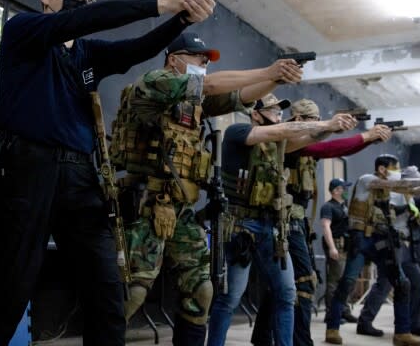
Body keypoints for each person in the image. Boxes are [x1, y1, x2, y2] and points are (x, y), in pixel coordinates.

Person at [0, 0, 217, 346]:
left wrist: (180, 18)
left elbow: (136, 50)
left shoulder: (87, 54)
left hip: (81, 178)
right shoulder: (24, 30)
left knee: (107, 292)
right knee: (10, 292)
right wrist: (163, 2)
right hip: (26, 172)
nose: (82, 2)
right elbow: (92, 18)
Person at [111, 35, 303, 345]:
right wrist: (269, 71)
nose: (205, 63)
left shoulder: (193, 103)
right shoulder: (153, 82)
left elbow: (239, 96)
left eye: (207, 60)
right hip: (145, 203)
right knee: (131, 293)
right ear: (174, 59)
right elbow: (213, 86)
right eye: (199, 57)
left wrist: (276, 79)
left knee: (201, 289)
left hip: (181, 208)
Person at [207, 94, 359, 346]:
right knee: (230, 297)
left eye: (280, 112)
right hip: (239, 226)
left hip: (272, 227)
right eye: (273, 111)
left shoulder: (278, 145)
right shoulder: (238, 132)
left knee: (287, 294)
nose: (279, 116)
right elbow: (286, 130)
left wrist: (333, 128)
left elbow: (311, 139)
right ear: (256, 114)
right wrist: (325, 125)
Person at [251, 100, 390, 346]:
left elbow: (333, 149)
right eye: (310, 120)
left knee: (282, 286)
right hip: (281, 221)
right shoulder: (287, 141)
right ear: (296, 120)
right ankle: (299, 341)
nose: (315, 124)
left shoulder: (301, 141)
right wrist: (364, 136)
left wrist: (367, 139)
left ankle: (264, 337)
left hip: (293, 221)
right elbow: (327, 150)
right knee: (303, 283)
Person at [324, 155, 420, 346]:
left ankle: (402, 333)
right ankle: (332, 328)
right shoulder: (367, 180)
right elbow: (404, 185)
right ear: (381, 169)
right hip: (361, 239)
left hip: (380, 239)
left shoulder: (388, 190)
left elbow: (412, 191)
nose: (398, 171)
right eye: (395, 168)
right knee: (347, 282)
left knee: (402, 283)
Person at [320, 179, 357, 324]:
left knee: (347, 279)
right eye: (343, 188)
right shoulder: (328, 207)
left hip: (346, 245)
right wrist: (332, 247)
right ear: (335, 191)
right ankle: (331, 313)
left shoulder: (344, 207)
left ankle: (344, 310)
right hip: (336, 244)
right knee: (335, 280)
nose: (346, 191)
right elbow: (325, 227)